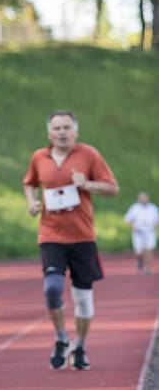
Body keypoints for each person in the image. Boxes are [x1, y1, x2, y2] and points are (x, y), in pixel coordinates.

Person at [23, 110, 118, 371]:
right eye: (57, 128)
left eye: (67, 127)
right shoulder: (39, 157)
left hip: (82, 238)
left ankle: (80, 346)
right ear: (49, 133)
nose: (62, 132)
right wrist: (32, 202)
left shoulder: (89, 155)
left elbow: (112, 188)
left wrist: (86, 184)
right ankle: (62, 338)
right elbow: (29, 183)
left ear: (75, 131)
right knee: (52, 288)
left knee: (83, 298)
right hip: (51, 236)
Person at [125, 192, 159, 274]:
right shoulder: (134, 208)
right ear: (139, 199)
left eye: (145, 198)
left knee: (149, 250)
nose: (144, 200)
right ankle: (140, 260)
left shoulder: (153, 208)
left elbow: (157, 220)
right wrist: (134, 227)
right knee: (139, 251)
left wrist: (154, 226)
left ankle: (147, 268)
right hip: (138, 232)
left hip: (149, 232)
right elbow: (128, 219)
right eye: (142, 198)